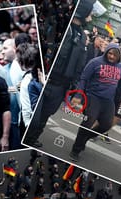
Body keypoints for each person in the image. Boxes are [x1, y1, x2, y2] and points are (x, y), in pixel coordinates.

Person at [24, 0, 98, 147]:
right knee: (33, 117)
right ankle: (26, 136)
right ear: (83, 11)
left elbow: (79, 66)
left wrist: (74, 89)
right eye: (90, 11)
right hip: (42, 79)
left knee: (45, 115)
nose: (92, 16)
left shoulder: (82, 36)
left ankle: (31, 140)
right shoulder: (59, 26)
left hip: (60, 85)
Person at [69, 43, 121, 162]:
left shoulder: (120, 66)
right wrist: (79, 95)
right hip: (93, 97)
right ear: (106, 52)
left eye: (114, 55)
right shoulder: (95, 62)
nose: (111, 56)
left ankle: (84, 139)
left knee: (106, 125)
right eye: (109, 53)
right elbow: (83, 79)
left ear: (119, 56)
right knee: (88, 122)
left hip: (108, 100)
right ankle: (76, 149)